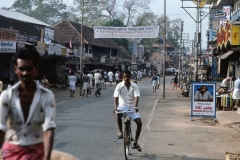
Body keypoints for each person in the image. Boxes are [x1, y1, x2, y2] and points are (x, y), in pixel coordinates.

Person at [0, 46, 56, 160]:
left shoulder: (47, 96)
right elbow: (1, 128)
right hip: (12, 151)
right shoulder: (6, 96)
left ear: (36, 69)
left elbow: (48, 130)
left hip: (38, 151)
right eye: (22, 68)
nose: (25, 73)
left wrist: (47, 158)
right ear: (16, 69)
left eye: (29, 68)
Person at [113, 70, 142, 152]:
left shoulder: (134, 86)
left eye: (127, 76)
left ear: (130, 77)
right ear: (123, 77)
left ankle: (136, 142)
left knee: (139, 123)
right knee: (118, 114)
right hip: (122, 106)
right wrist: (115, 108)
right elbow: (115, 97)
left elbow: (136, 96)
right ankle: (121, 132)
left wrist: (135, 107)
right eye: (124, 76)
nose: (126, 78)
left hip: (132, 107)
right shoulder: (119, 85)